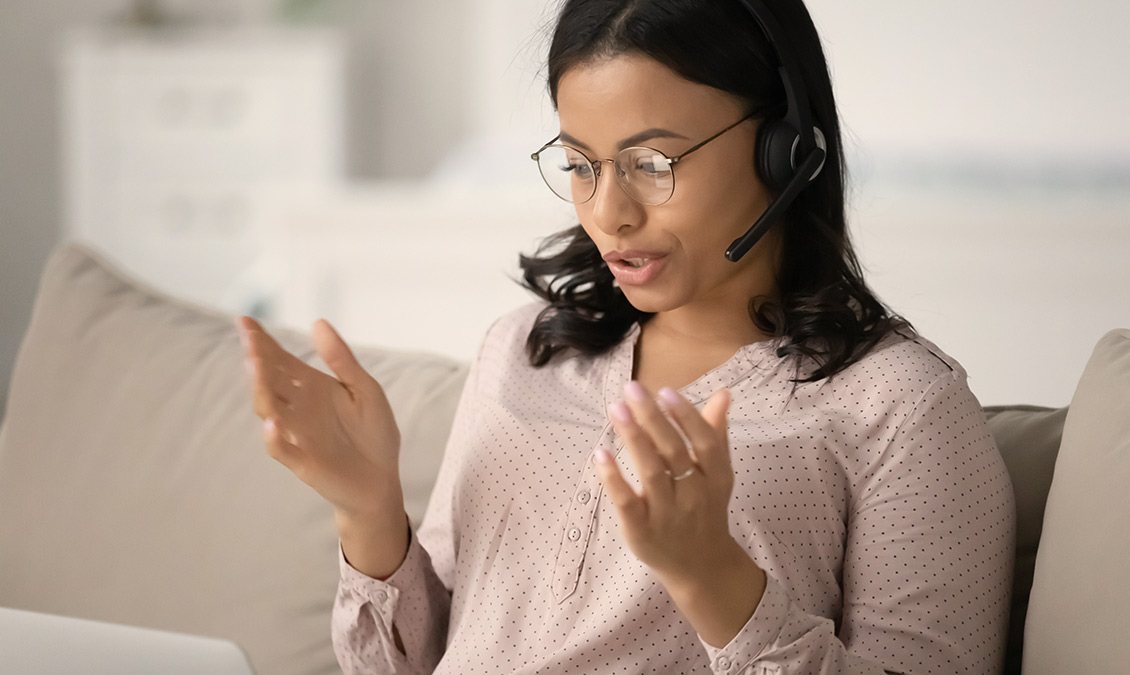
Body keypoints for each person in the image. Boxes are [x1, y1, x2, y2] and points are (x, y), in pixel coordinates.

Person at [237, 0, 1016, 673]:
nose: (610, 213)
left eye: (651, 161)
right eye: (580, 164)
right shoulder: (522, 351)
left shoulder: (903, 407)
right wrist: (370, 511)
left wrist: (714, 577)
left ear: (786, 147)